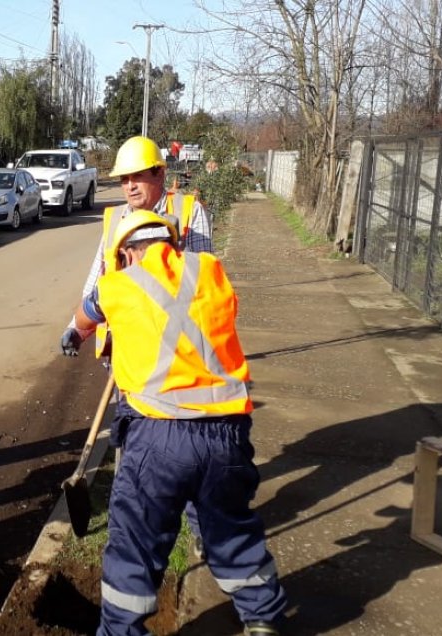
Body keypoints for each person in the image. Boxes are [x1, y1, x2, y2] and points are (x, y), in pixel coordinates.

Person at [70, 210, 287, 636]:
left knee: (135, 542)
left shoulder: (116, 285)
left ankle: (121, 631)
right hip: (227, 432)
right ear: (171, 244)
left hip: (160, 434)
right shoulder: (211, 270)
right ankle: (263, 619)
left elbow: (85, 315)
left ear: (127, 254)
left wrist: (73, 335)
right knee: (230, 530)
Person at [60, 135, 212, 358]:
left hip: (174, 350)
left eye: (137, 176)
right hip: (125, 349)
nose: (130, 186)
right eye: (124, 179)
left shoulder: (189, 211)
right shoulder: (115, 220)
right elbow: (96, 282)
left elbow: (205, 282)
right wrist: (77, 329)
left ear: (160, 173)